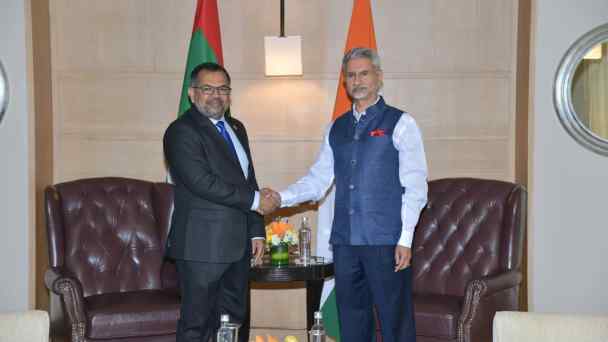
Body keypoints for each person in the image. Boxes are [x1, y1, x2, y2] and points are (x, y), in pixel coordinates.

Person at [265, 47, 428, 342]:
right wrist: (280, 197)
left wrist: (405, 238)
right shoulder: (335, 128)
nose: (357, 80)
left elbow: (416, 186)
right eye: (351, 75)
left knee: (396, 323)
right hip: (345, 243)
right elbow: (317, 180)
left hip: (386, 242)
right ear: (345, 82)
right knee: (352, 324)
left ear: (378, 77)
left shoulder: (402, 123)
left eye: (364, 73)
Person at [163, 62, 278, 342]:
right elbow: (202, 182)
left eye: (223, 89)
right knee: (197, 326)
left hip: (238, 246)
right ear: (192, 93)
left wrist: (255, 229)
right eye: (207, 89)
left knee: (234, 324)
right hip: (201, 247)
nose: (216, 95)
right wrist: (255, 201)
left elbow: (248, 178)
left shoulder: (237, 127)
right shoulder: (181, 131)